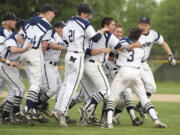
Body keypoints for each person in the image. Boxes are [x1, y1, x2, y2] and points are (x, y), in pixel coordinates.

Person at [54, 3, 109, 128]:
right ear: (83, 13)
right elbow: (95, 38)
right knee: (72, 86)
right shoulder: (84, 23)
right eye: (88, 13)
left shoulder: (68, 22)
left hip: (68, 54)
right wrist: (102, 30)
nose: (89, 16)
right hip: (78, 56)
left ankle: (57, 109)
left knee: (65, 84)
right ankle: (62, 112)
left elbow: (65, 39)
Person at [106, 27, 167, 128]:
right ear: (139, 36)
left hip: (123, 71)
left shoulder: (121, 41)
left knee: (111, 98)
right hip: (136, 72)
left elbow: (113, 50)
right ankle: (156, 120)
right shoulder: (141, 47)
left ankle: (108, 123)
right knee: (144, 99)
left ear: (129, 33)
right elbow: (140, 58)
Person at [19, 3, 56, 126]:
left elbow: (20, 36)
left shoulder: (29, 20)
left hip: (24, 52)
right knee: (36, 84)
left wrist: (25, 47)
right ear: (48, 12)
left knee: (33, 84)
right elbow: (44, 44)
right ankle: (26, 110)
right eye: (53, 13)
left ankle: (34, 110)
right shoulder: (47, 24)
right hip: (35, 52)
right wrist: (39, 54)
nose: (54, 15)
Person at [133, 17, 176, 118]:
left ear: (149, 26)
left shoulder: (153, 34)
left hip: (144, 63)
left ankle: (140, 106)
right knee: (141, 86)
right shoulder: (135, 34)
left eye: (145, 25)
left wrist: (170, 55)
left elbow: (163, 43)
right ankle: (145, 107)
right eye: (141, 24)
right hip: (135, 63)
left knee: (152, 87)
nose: (143, 27)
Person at [0, 20, 31, 124]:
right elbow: (12, 50)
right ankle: (15, 114)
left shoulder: (23, 39)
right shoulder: (12, 37)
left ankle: (5, 117)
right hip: (5, 66)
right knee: (20, 89)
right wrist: (26, 48)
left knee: (14, 93)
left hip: (12, 68)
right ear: (21, 28)